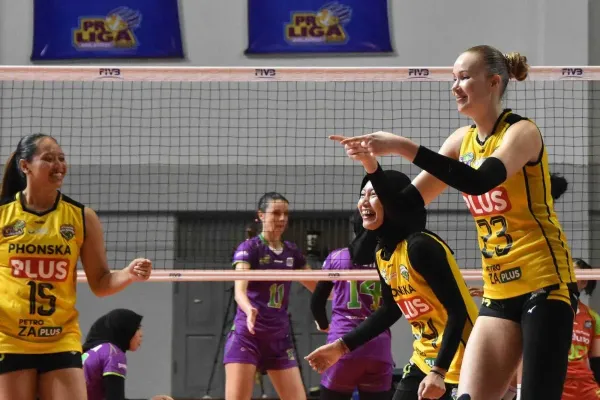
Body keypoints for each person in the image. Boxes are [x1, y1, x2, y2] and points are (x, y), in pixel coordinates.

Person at [331, 45, 578, 400]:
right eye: (453, 78)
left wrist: (403, 146)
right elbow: (403, 208)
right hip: (498, 291)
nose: (455, 86)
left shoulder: (521, 132)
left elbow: (479, 181)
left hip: (545, 282)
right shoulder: (460, 141)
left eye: (464, 77)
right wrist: (372, 166)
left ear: (493, 82)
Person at [305, 148, 478, 400]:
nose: (364, 202)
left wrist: (439, 372)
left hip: (464, 360)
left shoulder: (420, 246)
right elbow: (389, 309)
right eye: (362, 195)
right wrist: (341, 347)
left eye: (374, 194)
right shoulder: (382, 254)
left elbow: (458, 312)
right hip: (424, 358)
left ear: (392, 202)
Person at [0, 134, 153, 400]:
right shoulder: (4, 214)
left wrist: (128, 274)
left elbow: (101, 283)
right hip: (10, 339)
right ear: (25, 166)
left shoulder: (82, 217)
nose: (58, 165)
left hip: (60, 339)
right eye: (48, 158)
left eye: (61, 158)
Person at [223, 192, 317, 400]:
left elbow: (319, 290)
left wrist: (348, 284)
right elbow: (239, 291)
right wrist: (249, 309)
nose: (282, 218)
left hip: (279, 339)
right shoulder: (250, 248)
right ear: (261, 215)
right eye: (276, 213)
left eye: (285, 214)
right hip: (248, 336)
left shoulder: (292, 252)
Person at [309, 210, 394, 400]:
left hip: (342, 346)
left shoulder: (337, 258)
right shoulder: (389, 259)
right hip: (378, 349)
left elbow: (317, 302)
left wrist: (323, 324)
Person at [82, 309, 173, 400]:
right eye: (137, 328)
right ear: (124, 329)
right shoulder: (114, 353)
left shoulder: (96, 350)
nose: (141, 334)